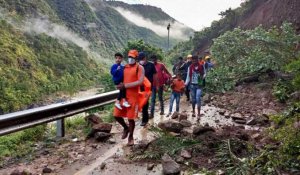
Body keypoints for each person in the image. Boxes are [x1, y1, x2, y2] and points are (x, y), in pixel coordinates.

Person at [114, 49, 145, 146]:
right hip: (123, 95)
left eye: (132, 57)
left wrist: (125, 86)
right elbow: (119, 77)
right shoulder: (124, 67)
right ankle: (125, 128)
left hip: (133, 97)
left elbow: (140, 82)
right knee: (116, 115)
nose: (130, 59)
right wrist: (118, 84)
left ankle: (131, 136)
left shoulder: (139, 68)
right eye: (129, 57)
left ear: (136, 58)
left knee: (131, 118)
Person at [138, 52, 158, 126]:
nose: (141, 60)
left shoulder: (151, 65)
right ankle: (145, 118)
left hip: (149, 87)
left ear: (145, 58)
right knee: (143, 103)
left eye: (142, 59)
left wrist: (156, 85)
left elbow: (155, 75)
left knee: (145, 102)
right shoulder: (138, 66)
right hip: (140, 87)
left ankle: (144, 120)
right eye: (139, 59)